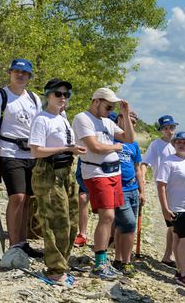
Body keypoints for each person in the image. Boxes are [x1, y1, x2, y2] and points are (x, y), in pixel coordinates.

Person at [72, 88, 136, 280]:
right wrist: (116, 147)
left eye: (113, 107)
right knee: (107, 215)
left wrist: (124, 114)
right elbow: (95, 147)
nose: (110, 110)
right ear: (96, 101)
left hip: (114, 173)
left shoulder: (108, 121)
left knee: (111, 216)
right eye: (108, 106)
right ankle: (100, 263)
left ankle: (106, 260)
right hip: (97, 173)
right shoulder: (82, 119)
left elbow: (130, 139)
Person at [28, 78, 86, 285]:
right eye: (58, 94)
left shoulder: (62, 118)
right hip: (48, 172)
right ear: (48, 96)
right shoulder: (42, 119)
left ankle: (62, 265)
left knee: (71, 221)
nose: (63, 98)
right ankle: (54, 270)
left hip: (66, 171)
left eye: (66, 95)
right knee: (55, 222)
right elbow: (36, 150)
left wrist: (74, 149)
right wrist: (66, 149)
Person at [0, 58, 42, 255]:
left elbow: (39, 127)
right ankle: (13, 245)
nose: (20, 75)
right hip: (9, 152)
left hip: (31, 154)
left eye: (24, 72)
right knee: (16, 197)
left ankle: (22, 242)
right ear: (9, 73)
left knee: (27, 198)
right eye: (16, 71)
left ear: (30, 76)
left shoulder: (35, 98)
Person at [156, 131, 185, 288]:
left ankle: (180, 270)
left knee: (179, 238)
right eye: (179, 142)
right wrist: (165, 208)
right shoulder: (168, 162)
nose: (182, 144)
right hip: (176, 207)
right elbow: (161, 186)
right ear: (174, 144)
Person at [111, 110, 146, 276]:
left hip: (133, 190)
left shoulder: (134, 144)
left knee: (121, 226)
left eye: (133, 122)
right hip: (118, 190)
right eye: (127, 120)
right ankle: (127, 261)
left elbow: (137, 168)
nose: (130, 124)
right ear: (119, 119)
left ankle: (118, 259)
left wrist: (142, 191)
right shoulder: (111, 138)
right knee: (130, 225)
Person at [143, 114, 178, 267]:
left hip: (179, 188)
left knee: (173, 225)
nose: (169, 131)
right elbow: (145, 163)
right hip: (165, 188)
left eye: (171, 128)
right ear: (161, 130)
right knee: (172, 223)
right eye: (166, 128)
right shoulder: (156, 145)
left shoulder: (177, 144)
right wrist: (142, 179)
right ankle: (171, 255)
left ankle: (168, 255)